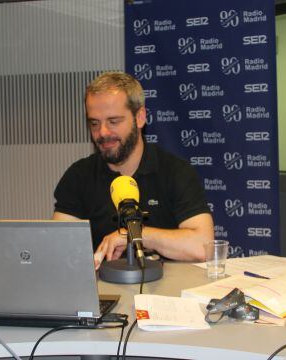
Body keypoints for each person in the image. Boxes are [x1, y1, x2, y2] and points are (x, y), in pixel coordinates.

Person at [52, 72, 214, 268]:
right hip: (103, 293)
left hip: (165, 292)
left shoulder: (175, 171)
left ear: (140, 117)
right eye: (94, 123)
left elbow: (203, 247)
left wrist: (136, 235)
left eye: (113, 121)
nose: (102, 132)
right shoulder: (79, 176)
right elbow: (57, 249)